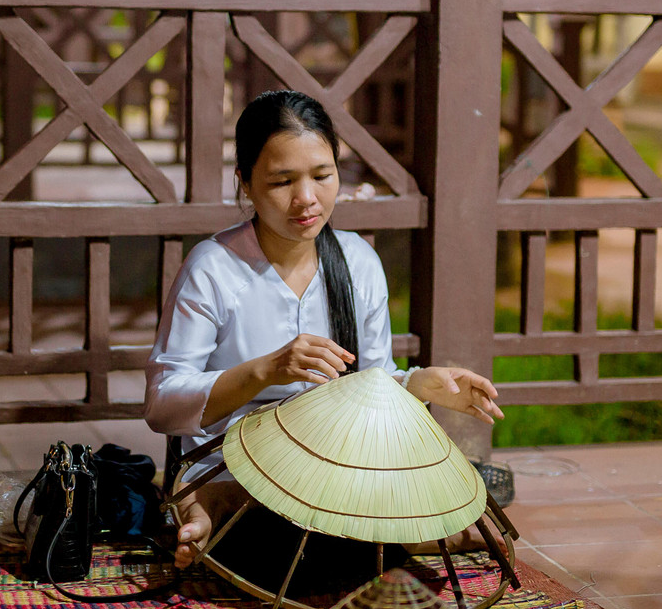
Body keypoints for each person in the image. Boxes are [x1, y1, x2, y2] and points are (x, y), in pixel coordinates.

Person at [145, 90, 504, 569]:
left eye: (322, 175)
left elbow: (372, 384)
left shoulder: (357, 262)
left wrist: (417, 384)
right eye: (281, 181)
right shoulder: (213, 268)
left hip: (337, 471)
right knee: (320, 539)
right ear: (246, 185)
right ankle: (213, 509)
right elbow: (162, 405)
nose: (306, 199)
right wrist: (265, 371)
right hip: (235, 467)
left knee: (425, 497)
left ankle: (225, 527)